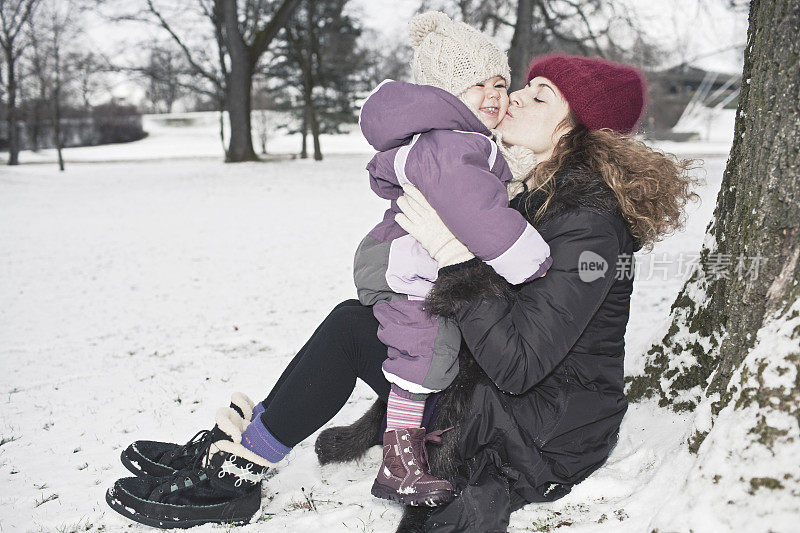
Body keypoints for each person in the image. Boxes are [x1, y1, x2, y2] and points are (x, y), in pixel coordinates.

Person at [105, 51, 698, 533]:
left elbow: (519, 365)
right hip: (500, 389)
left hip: (542, 427)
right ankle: (247, 445)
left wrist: (455, 256)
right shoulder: (532, 195)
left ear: (576, 128)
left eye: (538, 95)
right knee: (356, 322)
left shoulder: (590, 226)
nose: (514, 96)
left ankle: (238, 472)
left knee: (354, 331)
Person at [354, 11, 550, 506]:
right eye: (473, 84)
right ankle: (398, 463)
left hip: (407, 256)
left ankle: (429, 432)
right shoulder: (450, 145)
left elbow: (491, 178)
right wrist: (529, 259)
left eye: (500, 83)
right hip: (404, 262)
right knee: (425, 351)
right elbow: (476, 212)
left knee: (441, 348)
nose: (494, 95)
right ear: (442, 95)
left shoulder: (457, 139)